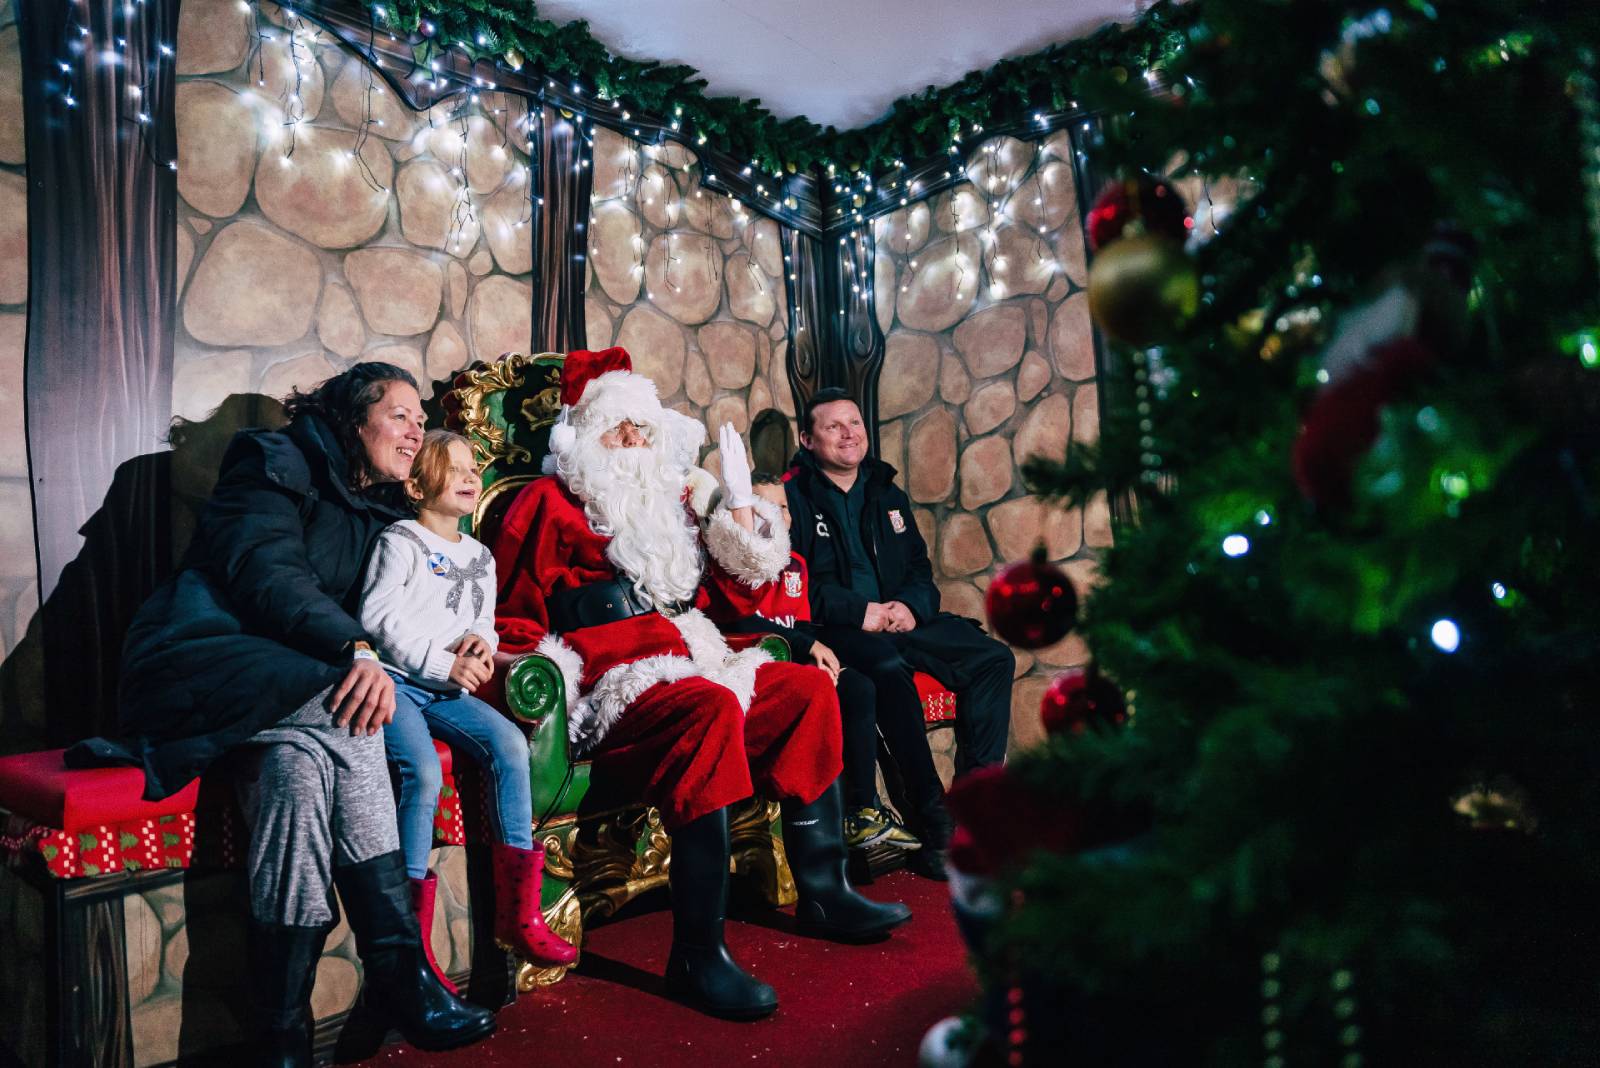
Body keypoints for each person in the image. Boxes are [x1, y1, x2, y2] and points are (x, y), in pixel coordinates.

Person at [68, 364, 495, 1065]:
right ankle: (397, 967)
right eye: (399, 415)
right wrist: (357, 650)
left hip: (286, 695)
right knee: (354, 710)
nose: (416, 431)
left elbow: (403, 600)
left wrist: (470, 641)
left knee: (293, 777)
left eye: (422, 421)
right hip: (203, 661)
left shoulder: (381, 505)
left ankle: (281, 1030)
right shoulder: (272, 462)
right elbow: (268, 574)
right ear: (352, 420)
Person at [490, 347, 910, 1020]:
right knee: (709, 707)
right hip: (616, 683)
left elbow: (734, 600)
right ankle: (697, 953)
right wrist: (546, 679)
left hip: (699, 655)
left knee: (805, 693)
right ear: (586, 438)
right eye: (619, 430)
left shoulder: (672, 507)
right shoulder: (544, 504)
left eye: (643, 429)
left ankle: (825, 889)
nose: (635, 442)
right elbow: (512, 618)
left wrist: (741, 512)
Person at [359, 429, 577, 992]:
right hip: (399, 684)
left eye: (472, 467)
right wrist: (442, 662)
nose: (468, 476)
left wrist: (481, 643)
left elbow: (482, 620)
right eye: (452, 467)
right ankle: (409, 939)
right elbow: (379, 620)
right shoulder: (400, 542)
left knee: (509, 745)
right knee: (422, 769)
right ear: (416, 486)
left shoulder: (479, 555)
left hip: (448, 691)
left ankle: (519, 915)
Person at [784, 387, 1017, 878]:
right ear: (807, 439)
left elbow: (918, 569)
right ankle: (933, 820)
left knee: (994, 659)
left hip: (900, 620)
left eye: (854, 423)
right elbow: (793, 583)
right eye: (833, 426)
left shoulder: (886, 492)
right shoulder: (793, 497)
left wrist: (911, 607)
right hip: (839, 629)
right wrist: (860, 612)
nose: (849, 434)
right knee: (887, 668)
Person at [697, 466, 924, 853]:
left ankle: (863, 810)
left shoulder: (795, 565)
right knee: (835, 689)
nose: (778, 517)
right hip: (753, 666)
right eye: (765, 508)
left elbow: (799, 622)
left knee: (857, 686)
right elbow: (738, 620)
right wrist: (807, 646)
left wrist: (815, 652)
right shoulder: (731, 566)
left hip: (796, 661)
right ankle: (833, 825)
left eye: (784, 508)